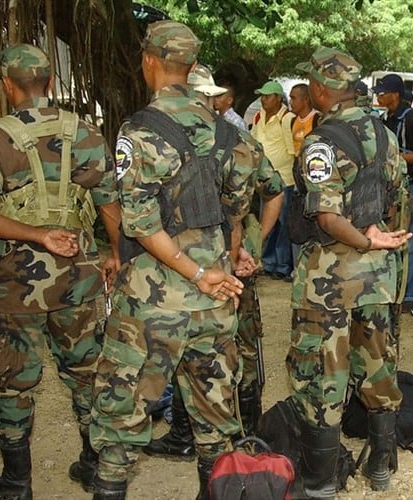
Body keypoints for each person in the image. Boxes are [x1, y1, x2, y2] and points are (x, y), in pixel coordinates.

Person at [90, 20, 255, 499]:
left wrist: (197, 273)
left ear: (149, 61)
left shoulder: (139, 130)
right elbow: (235, 215)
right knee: (215, 425)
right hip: (215, 304)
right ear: (192, 65)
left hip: (153, 304)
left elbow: (141, 224)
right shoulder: (232, 135)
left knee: (120, 426)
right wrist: (219, 268)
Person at [0, 43, 121, 498]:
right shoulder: (85, 133)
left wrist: (35, 233)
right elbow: (109, 204)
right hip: (76, 276)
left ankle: (16, 481)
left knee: (10, 379)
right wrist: (116, 254)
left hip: (12, 284)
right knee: (85, 370)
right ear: (48, 82)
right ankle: (95, 465)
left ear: (7, 86)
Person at [144, 64, 284, 460]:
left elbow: (139, 216)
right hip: (220, 263)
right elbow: (274, 191)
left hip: (187, 268)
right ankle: (235, 437)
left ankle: (206, 437)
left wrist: (252, 244)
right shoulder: (233, 138)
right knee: (227, 349)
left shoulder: (156, 138)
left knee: (199, 350)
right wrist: (253, 242)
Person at [288, 46, 411, 496]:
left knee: (322, 369)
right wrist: (383, 244)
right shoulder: (384, 134)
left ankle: (321, 481)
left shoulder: (321, 142)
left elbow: (326, 216)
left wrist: (364, 240)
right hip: (377, 275)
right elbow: (398, 197)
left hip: (331, 278)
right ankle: (380, 465)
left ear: (322, 89)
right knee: (377, 363)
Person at [374, 74, 413, 317]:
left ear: (395, 94)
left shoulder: (412, 118)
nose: (378, 97)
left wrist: (396, 157)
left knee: (411, 240)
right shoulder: (386, 118)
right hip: (389, 188)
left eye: (382, 93)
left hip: (409, 186)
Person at [252, 79, 297, 280]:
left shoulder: (287, 119)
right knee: (267, 224)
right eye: (262, 96)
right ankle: (268, 262)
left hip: (284, 178)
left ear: (278, 98)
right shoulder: (258, 116)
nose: (264, 100)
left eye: (268, 96)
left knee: (283, 225)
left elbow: (292, 151)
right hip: (265, 180)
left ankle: (282, 265)